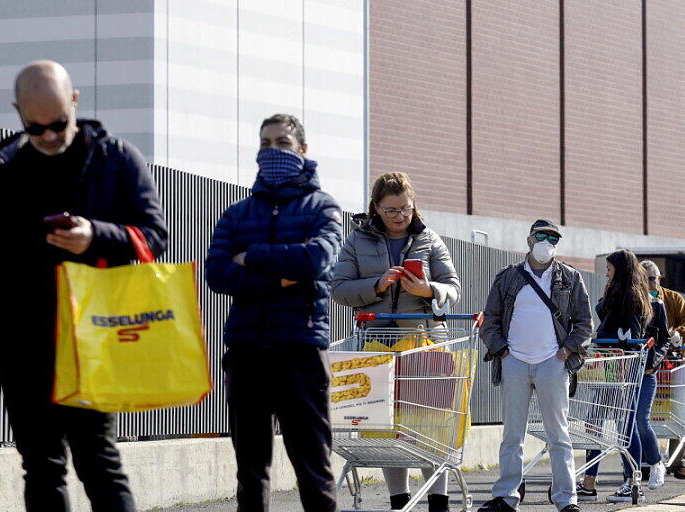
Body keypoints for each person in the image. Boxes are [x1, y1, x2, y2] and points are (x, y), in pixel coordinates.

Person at [0, 60, 168, 512]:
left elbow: (155, 234)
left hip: (93, 334)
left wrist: (96, 235)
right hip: (22, 340)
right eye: (36, 127)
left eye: (58, 123)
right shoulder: (4, 165)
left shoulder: (115, 159)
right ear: (18, 113)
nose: (50, 136)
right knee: (41, 464)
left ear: (75, 101)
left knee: (99, 460)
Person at [206, 113, 343, 512]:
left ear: (303, 149)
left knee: (313, 466)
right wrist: (276, 279)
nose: (272, 151)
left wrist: (251, 256)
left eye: (282, 143)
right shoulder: (237, 213)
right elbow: (217, 272)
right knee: (250, 470)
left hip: (301, 350)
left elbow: (317, 258)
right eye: (265, 144)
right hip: (247, 351)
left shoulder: (323, 207)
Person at [331, 172, 460, 511]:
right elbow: (339, 288)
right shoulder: (357, 241)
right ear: (376, 208)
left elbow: (453, 288)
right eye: (391, 210)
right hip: (378, 345)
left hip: (423, 342)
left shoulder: (429, 239)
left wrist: (429, 290)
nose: (400, 216)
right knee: (386, 426)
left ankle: (438, 501)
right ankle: (399, 500)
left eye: (405, 208)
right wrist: (376, 285)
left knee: (429, 422)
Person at [477, 220, 591, 512]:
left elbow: (584, 324)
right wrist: (501, 351)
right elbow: (489, 320)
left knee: (559, 434)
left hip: (553, 363)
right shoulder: (508, 277)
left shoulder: (570, 278)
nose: (546, 242)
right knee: (512, 434)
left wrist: (567, 350)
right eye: (541, 236)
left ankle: (567, 500)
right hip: (514, 361)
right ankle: (506, 497)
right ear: (529, 239)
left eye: (553, 238)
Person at [579, 251, 669, 503]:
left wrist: (647, 361)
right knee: (597, 423)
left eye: (609, 268)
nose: (606, 272)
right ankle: (590, 482)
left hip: (625, 368)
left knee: (629, 424)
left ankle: (635, 478)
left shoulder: (636, 298)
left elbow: (632, 334)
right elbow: (607, 322)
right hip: (609, 367)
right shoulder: (616, 293)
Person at [640, 261, 685, 480]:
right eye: (644, 280)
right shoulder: (636, 299)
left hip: (673, 363)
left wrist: (679, 334)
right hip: (647, 364)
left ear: (659, 279)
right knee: (646, 415)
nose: (649, 283)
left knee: (678, 413)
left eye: (652, 279)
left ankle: (677, 460)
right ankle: (646, 460)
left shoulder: (672, 298)